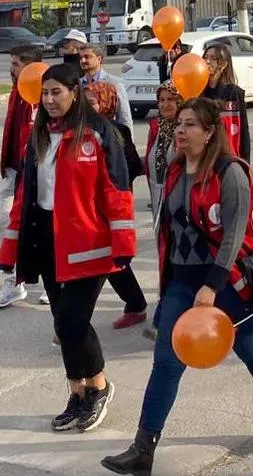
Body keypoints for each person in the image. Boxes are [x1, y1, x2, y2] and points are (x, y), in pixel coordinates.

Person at [101, 98, 253, 475]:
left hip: (227, 281)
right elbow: (169, 232)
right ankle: (143, 449)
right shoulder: (174, 169)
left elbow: (234, 234)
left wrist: (212, 286)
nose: (181, 130)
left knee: (251, 348)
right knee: (166, 361)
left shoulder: (231, 172)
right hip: (181, 281)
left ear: (209, 133)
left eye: (190, 124)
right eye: (179, 124)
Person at [0, 63, 135, 432]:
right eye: (45, 93)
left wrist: (123, 244)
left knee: (72, 321)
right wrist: (9, 250)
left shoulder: (99, 132)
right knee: (63, 324)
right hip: (46, 241)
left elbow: (117, 191)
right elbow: (25, 196)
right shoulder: (40, 136)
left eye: (56, 92)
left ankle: (99, 387)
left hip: (88, 244)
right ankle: (77, 392)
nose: (49, 99)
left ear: (75, 93)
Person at [83, 81, 150, 331]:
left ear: (106, 103)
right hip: (88, 206)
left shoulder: (116, 131)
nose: (85, 107)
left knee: (106, 259)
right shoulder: (79, 130)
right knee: (108, 259)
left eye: (92, 102)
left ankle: (74, 321)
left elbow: (131, 166)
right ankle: (135, 304)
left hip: (112, 205)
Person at [0, 44, 43, 308]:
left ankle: (53, 281)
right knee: (6, 223)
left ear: (30, 66)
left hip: (35, 172)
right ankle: (12, 281)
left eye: (16, 63)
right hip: (14, 169)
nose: (11, 68)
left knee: (40, 227)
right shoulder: (18, 90)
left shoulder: (44, 93)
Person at [202, 42, 250, 162]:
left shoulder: (234, 92)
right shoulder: (200, 92)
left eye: (213, 58)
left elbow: (243, 130)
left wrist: (245, 162)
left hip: (229, 157)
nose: (207, 61)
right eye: (205, 57)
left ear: (223, 64)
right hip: (205, 158)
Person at [145, 82, 183, 213]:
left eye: (170, 99)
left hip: (180, 199)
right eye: (161, 100)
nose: (165, 104)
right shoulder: (156, 127)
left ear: (179, 101)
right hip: (157, 197)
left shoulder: (185, 128)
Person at [78, 43, 134, 131]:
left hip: (107, 134)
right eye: (80, 58)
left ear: (99, 59)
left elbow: (124, 117)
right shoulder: (78, 84)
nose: (82, 60)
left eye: (87, 57)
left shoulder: (114, 83)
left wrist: (127, 138)